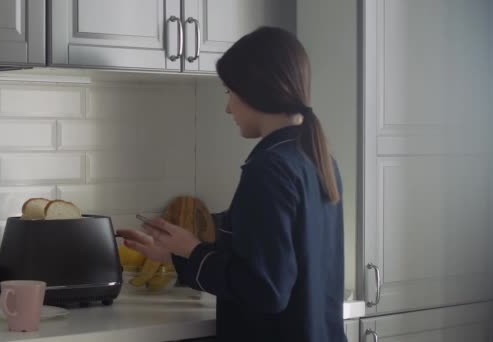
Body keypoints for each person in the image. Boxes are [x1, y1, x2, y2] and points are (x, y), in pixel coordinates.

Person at [117, 26, 346, 342]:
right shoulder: (315, 157)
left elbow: (265, 290)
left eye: (229, 92)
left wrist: (193, 250)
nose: (228, 108)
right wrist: (177, 255)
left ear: (255, 90)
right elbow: (273, 266)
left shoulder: (270, 168)